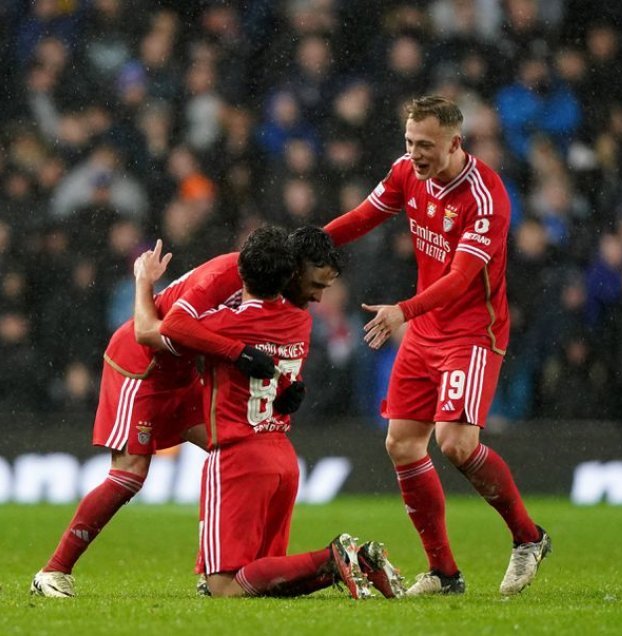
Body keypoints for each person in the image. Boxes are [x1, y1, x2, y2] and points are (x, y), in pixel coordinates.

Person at [323, 95, 550, 597]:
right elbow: (365, 215)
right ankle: (445, 573)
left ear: (455, 142)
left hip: (472, 332)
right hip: (426, 329)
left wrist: (402, 310)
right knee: (401, 444)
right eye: (409, 142)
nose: (415, 153)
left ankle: (528, 537)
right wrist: (315, 240)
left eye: (425, 145)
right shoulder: (406, 172)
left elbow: (460, 278)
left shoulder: (486, 198)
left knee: (455, 443)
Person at [31, 233, 282, 598]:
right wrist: (143, 281)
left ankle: (220, 569)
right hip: (141, 367)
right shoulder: (214, 283)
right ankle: (53, 571)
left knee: (236, 449)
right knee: (129, 476)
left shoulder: (259, 281)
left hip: (178, 371)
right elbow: (147, 332)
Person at [182, 227, 404, 600]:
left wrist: (144, 286)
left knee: (222, 588)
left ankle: (332, 557)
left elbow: (166, 328)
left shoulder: (228, 321)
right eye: (317, 286)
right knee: (264, 581)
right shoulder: (299, 322)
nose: (319, 297)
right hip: (282, 455)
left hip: (238, 455)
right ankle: (357, 562)